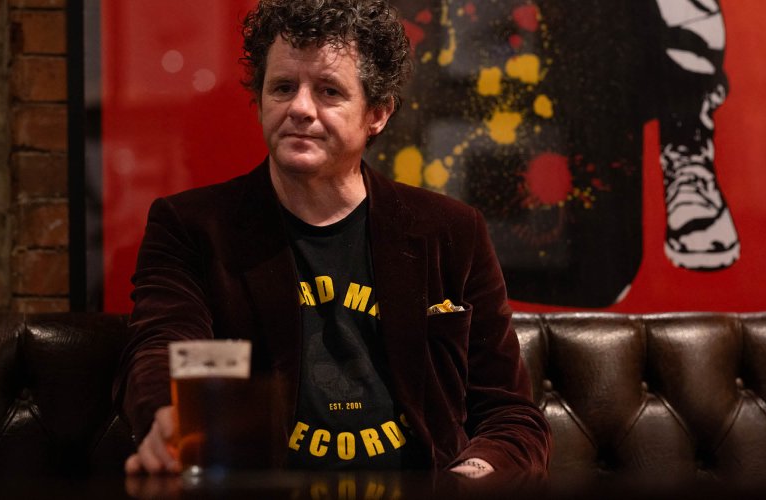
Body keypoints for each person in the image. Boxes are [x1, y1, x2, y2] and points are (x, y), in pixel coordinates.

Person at [114, 0, 551, 478]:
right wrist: (168, 416)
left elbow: (512, 416)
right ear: (259, 101)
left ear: (377, 113)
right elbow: (160, 347)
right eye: (283, 87)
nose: (300, 108)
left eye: (328, 91)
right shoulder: (191, 226)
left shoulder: (451, 231)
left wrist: (466, 481)